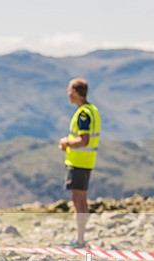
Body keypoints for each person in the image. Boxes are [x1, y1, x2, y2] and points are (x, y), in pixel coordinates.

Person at [58, 78, 101, 248]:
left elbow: (84, 141)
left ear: (75, 92)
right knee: (81, 200)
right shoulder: (92, 110)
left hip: (79, 162)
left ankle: (80, 239)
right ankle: (81, 238)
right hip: (86, 161)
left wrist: (67, 142)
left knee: (78, 201)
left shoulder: (83, 113)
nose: (68, 94)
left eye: (69, 90)